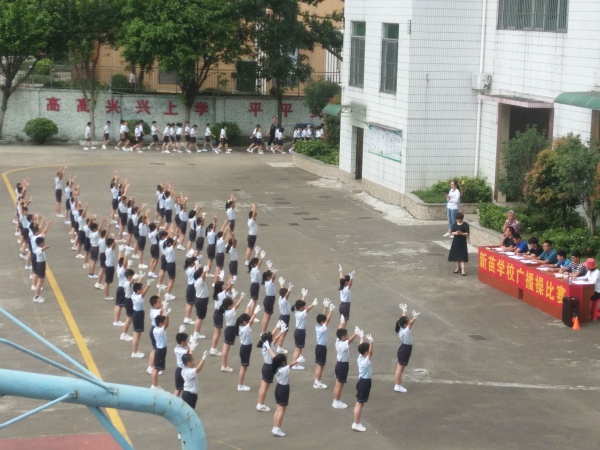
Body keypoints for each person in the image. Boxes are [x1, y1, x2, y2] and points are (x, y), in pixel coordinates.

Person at [271, 353, 301, 437]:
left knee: (278, 409)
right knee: (282, 410)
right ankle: (277, 428)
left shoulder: (277, 368)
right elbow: (290, 365)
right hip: (283, 389)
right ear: (282, 362)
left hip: (278, 388)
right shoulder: (283, 369)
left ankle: (275, 426)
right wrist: (297, 360)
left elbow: (287, 365)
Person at [332, 316, 359, 409]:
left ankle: (335, 400)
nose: (347, 336)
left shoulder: (338, 340)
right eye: (346, 335)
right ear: (343, 337)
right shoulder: (342, 345)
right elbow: (349, 341)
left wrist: (342, 322)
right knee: (340, 385)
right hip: (342, 365)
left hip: (339, 364)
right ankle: (337, 401)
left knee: (337, 384)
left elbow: (340, 329)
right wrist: (355, 334)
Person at [394, 304, 419, 393]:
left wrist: (404, 310)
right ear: (405, 324)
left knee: (399, 368)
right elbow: (410, 324)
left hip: (403, 348)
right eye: (407, 322)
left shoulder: (401, 327)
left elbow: (402, 319)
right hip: (405, 350)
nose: (408, 322)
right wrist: (414, 317)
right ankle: (398, 386)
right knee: (400, 369)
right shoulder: (405, 331)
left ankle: (397, 385)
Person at [352, 333, 374, 432]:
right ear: (365, 352)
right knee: (360, 403)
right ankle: (356, 423)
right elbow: (371, 353)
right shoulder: (365, 361)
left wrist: (361, 336)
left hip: (362, 381)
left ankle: (356, 422)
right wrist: (371, 342)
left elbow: (361, 346)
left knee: (359, 403)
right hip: (364, 382)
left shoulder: (360, 357)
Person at [314, 299, 335, 389]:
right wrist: (331, 311)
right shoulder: (321, 328)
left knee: (319, 365)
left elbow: (323, 318)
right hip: (321, 348)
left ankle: (316, 381)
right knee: (320, 365)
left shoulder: (318, 325)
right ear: (322, 322)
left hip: (319, 347)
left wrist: (325, 307)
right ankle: (318, 382)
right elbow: (327, 320)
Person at [151, 314, 170, 389]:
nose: (165, 323)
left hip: (160, 349)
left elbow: (166, 325)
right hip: (160, 350)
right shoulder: (159, 330)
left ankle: (155, 384)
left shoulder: (157, 328)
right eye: (164, 322)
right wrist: (167, 316)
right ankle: (154, 385)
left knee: (156, 368)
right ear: (160, 324)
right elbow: (166, 325)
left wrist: (167, 316)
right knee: (156, 368)